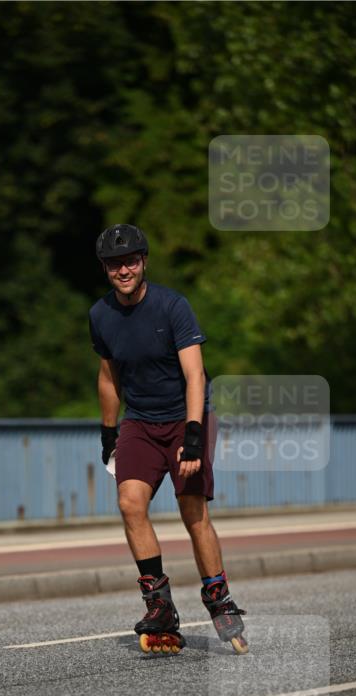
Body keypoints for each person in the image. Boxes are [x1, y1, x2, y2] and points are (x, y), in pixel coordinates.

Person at [89, 223, 248, 654]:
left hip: (185, 418)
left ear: (143, 262)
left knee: (191, 509)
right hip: (140, 421)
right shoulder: (100, 315)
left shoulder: (172, 306)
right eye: (114, 264)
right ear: (105, 269)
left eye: (130, 261)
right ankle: (159, 606)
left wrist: (194, 435)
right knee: (130, 503)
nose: (123, 270)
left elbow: (195, 375)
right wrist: (108, 431)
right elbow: (108, 377)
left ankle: (218, 597)